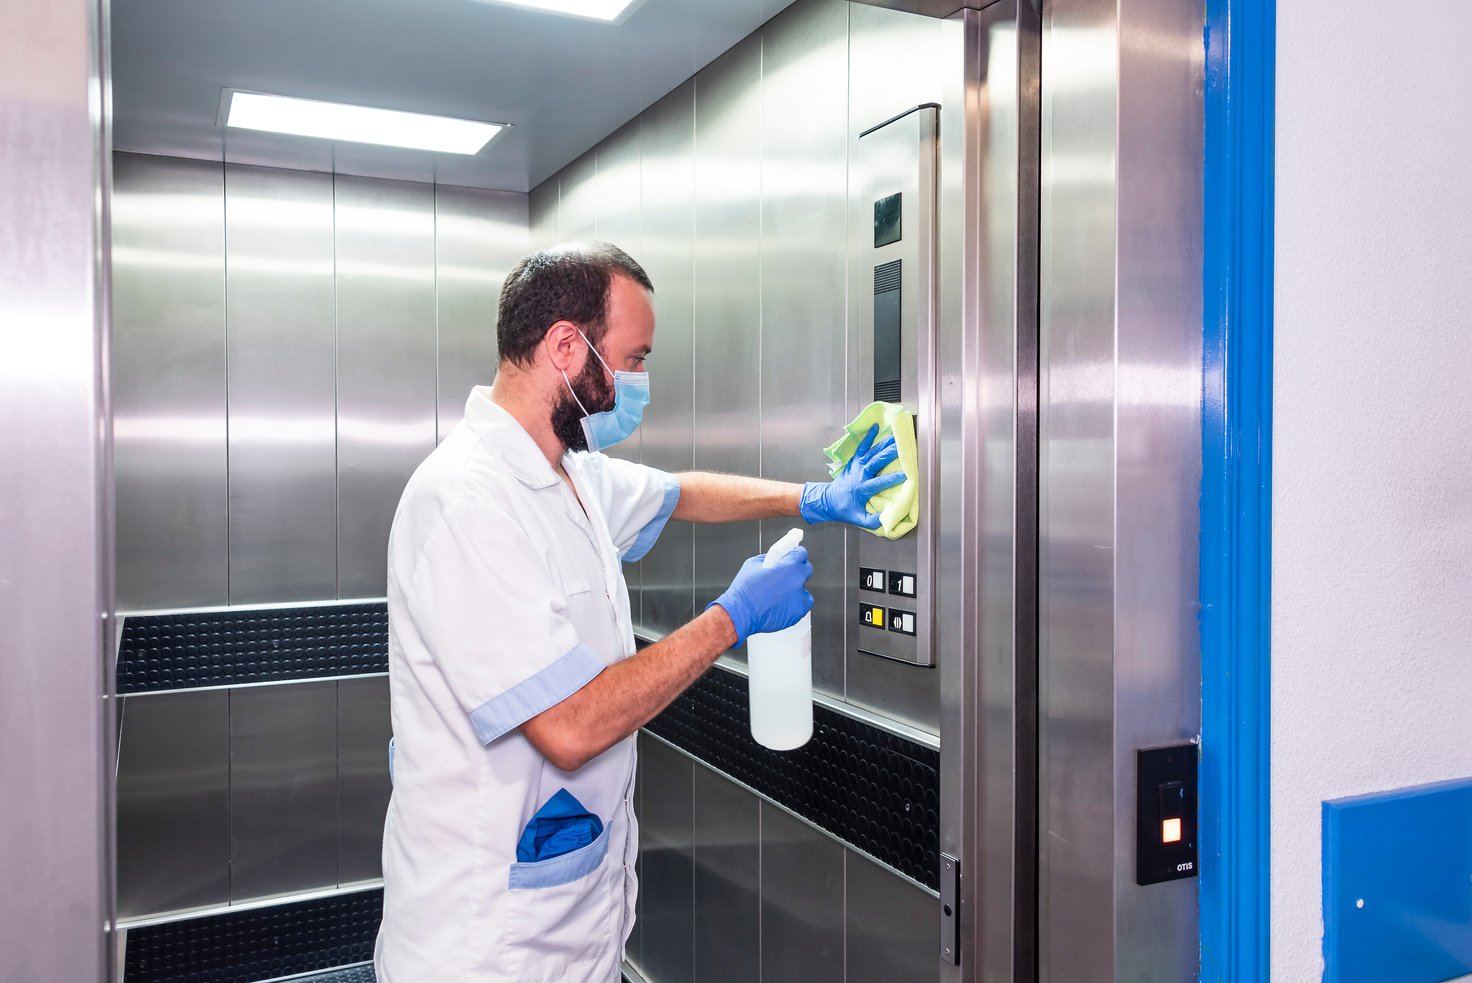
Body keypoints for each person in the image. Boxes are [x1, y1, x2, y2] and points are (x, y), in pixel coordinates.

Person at [373, 242, 903, 982]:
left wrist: (813, 499)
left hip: (571, 930)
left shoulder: (570, 475)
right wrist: (732, 616)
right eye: (634, 357)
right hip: (485, 945)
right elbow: (569, 726)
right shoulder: (465, 500)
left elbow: (679, 492)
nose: (639, 381)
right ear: (566, 345)